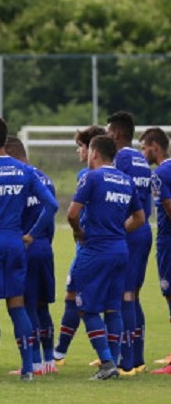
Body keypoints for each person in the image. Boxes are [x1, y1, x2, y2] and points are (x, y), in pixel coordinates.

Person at [0, 116, 58, 382]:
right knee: (17, 305)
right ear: (4, 139)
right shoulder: (25, 170)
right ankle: (29, 369)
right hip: (16, 242)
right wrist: (31, 234)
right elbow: (51, 206)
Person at [67, 135, 144, 380]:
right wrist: (120, 231)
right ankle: (114, 362)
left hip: (95, 250)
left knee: (86, 307)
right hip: (120, 249)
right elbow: (140, 218)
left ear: (95, 153)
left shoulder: (92, 177)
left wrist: (80, 233)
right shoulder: (126, 180)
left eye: (88, 151)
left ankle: (107, 363)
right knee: (113, 308)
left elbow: (71, 214)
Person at [5, 137, 58, 376]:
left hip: (24, 247)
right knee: (43, 306)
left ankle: (34, 363)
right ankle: (49, 361)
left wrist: (29, 236)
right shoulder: (45, 178)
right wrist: (42, 239)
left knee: (26, 307)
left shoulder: (17, 180)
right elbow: (51, 214)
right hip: (44, 247)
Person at [53, 125, 106, 365]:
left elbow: (75, 213)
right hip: (105, 246)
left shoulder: (87, 176)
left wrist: (79, 232)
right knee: (73, 296)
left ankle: (104, 357)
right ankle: (61, 352)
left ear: (91, 149)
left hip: (89, 246)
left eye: (81, 147)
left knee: (81, 300)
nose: (78, 151)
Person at [106, 111, 153, 375]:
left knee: (124, 293)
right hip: (143, 229)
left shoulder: (121, 157)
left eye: (108, 130)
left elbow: (117, 193)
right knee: (133, 294)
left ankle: (124, 361)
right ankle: (137, 358)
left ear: (116, 134)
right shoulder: (140, 158)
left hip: (129, 230)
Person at [138, 128, 171, 374]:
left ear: (155, 147)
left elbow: (169, 209)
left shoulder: (159, 174)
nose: (142, 153)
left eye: (143, 148)